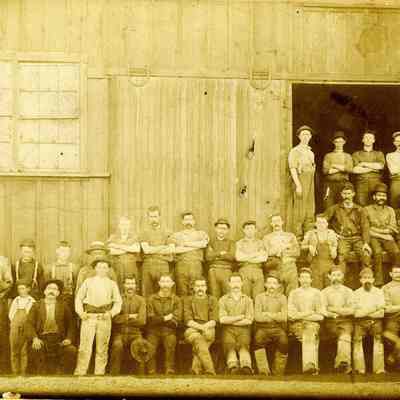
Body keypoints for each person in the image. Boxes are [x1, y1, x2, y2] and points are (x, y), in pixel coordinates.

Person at [74, 258, 122, 376]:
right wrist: (81, 313)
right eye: (99, 267)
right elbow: (78, 299)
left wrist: (110, 313)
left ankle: (99, 372)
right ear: (95, 268)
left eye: (105, 267)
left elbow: (118, 302)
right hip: (89, 317)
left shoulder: (112, 284)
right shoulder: (88, 282)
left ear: (108, 269)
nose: (102, 269)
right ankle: (81, 371)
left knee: (102, 347)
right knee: (85, 347)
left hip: (104, 317)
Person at [25, 280, 77, 375]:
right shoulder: (36, 305)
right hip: (42, 339)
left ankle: (63, 378)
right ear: (45, 291)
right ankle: (41, 378)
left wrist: (69, 339)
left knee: (71, 350)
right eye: (49, 288)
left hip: (59, 340)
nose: (51, 291)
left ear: (58, 293)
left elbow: (71, 325)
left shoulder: (63, 306)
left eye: (54, 289)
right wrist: (34, 338)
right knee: (35, 349)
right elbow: (29, 324)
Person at [324, 182, 372, 278]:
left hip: (357, 238)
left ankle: (366, 280)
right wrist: (331, 233)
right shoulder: (335, 208)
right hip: (342, 238)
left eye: (349, 193)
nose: (347, 196)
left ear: (353, 194)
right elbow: (322, 221)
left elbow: (365, 227)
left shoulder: (360, 209)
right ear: (341, 194)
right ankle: (339, 281)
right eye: (344, 194)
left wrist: (366, 243)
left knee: (366, 254)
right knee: (341, 256)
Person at [109, 276, 151, 375]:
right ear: (123, 285)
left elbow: (142, 321)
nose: (130, 286)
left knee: (140, 345)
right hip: (120, 333)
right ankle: (114, 375)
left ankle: (141, 377)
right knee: (117, 345)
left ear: (136, 286)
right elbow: (114, 319)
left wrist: (122, 318)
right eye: (128, 284)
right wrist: (130, 316)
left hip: (135, 333)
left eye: (132, 284)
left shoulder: (141, 300)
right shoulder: (117, 299)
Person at [288, 268, 324, 374]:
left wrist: (301, 316)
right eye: (302, 277)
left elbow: (320, 316)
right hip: (297, 324)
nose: (304, 280)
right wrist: (309, 313)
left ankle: (309, 366)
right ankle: (311, 366)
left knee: (309, 333)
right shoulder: (293, 293)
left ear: (311, 280)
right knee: (308, 336)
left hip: (312, 323)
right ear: (299, 279)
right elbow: (291, 315)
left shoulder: (317, 293)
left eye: (307, 277)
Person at [364, 182, 400, 286]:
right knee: (377, 252)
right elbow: (367, 229)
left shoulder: (390, 210)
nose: (381, 198)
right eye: (379, 195)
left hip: (387, 238)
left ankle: (396, 278)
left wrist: (377, 230)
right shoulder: (367, 209)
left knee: (396, 252)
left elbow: (393, 228)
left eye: (384, 195)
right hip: (374, 238)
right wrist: (383, 234)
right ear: (374, 197)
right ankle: (378, 282)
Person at [146, 274, 182, 375]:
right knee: (150, 345)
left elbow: (176, 321)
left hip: (169, 331)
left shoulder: (176, 300)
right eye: (163, 282)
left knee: (170, 343)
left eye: (167, 282)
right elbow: (150, 320)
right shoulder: (151, 298)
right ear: (159, 283)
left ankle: (169, 369)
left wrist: (158, 319)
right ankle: (151, 370)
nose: (165, 284)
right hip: (153, 331)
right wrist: (166, 318)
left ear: (172, 284)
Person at [219, 273, 254, 375]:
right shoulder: (223, 299)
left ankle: (246, 366)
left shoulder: (248, 300)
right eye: (233, 282)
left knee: (243, 345)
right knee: (230, 346)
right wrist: (240, 317)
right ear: (229, 284)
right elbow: (222, 319)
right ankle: (232, 366)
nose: (236, 284)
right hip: (228, 330)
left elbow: (249, 320)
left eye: (238, 281)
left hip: (244, 330)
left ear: (242, 283)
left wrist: (231, 320)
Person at [321, 266, 354, 373]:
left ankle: (343, 363)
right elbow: (323, 310)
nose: (336, 278)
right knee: (336, 333)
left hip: (345, 321)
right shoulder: (324, 292)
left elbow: (351, 310)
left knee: (345, 336)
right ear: (329, 277)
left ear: (343, 276)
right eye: (334, 275)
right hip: (330, 322)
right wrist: (332, 313)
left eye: (339, 275)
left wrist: (333, 309)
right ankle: (340, 363)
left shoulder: (348, 292)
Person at [254, 273, 288, 376]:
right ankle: (263, 370)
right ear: (265, 285)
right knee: (258, 339)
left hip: (278, 328)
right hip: (263, 328)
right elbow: (257, 317)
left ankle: (278, 370)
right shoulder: (259, 297)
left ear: (278, 286)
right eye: (269, 283)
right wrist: (276, 316)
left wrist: (267, 314)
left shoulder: (282, 298)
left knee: (284, 341)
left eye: (274, 283)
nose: (271, 285)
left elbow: (284, 317)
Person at [353, 267, 385, 374]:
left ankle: (379, 369)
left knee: (378, 339)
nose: (367, 280)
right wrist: (374, 308)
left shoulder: (379, 292)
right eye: (364, 278)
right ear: (360, 280)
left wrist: (365, 312)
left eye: (369, 278)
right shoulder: (356, 293)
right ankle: (359, 368)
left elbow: (381, 313)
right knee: (357, 340)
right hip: (360, 322)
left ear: (373, 279)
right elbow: (356, 314)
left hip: (375, 321)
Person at [183, 277, 218, 375]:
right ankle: (210, 369)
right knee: (198, 338)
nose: (200, 288)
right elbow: (188, 321)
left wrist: (205, 328)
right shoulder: (188, 300)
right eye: (197, 286)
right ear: (194, 288)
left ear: (206, 287)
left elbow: (214, 320)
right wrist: (202, 328)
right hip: (192, 329)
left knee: (199, 342)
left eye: (202, 286)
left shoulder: (212, 300)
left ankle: (195, 369)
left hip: (209, 328)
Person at [170, 212, 209, 296]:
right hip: (181, 265)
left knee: (195, 290)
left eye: (190, 219)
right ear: (182, 222)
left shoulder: (201, 233)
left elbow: (203, 244)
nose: (188, 222)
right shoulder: (176, 235)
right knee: (182, 290)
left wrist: (185, 244)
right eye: (186, 219)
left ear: (194, 221)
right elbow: (175, 250)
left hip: (196, 265)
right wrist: (195, 246)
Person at [140, 206, 175, 297]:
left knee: (164, 292)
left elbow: (171, 249)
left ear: (159, 217)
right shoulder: (144, 232)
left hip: (163, 265)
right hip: (148, 265)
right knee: (147, 294)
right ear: (148, 218)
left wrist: (153, 249)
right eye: (151, 217)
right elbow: (146, 250)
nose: (153, 219)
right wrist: (163, 247)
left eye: (155, 216)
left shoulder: (168, 232)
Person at [288, 125, 316, 238]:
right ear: (299, 136)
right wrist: (298, 185)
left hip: (310, 180)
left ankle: (308, 236)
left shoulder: (310, 152)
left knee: (310, 207)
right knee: (300, 209)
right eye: (303, 134)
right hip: (301, 179)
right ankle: (298, 236)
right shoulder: (295, 151)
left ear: (310, 137)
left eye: (308, 134)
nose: (306, 136)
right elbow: (293, 168)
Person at [263, 215, 300, 296]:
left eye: (278, 221)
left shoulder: (290, 236)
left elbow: (297, 252)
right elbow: (266, 252)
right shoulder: (267, 238)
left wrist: (283, 252)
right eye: (274, 221)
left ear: (282, 222)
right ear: (271, 224)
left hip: (290, 267)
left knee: (292, 293)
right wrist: (282, 248)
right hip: (275, 268)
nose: (276, 223)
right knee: (275, 295)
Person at [301, 214, 338, 290]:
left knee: (329, 289)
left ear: (327, 224)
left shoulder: (331, 233)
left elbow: (335, 246)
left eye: (323, 223)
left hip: (329, 265)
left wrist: (334, 249)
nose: (321, 225)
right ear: (316, 224)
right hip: (315, 265)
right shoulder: (310, 233)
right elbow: (302, 246)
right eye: (319, 222)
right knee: (316, 289)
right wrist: (309, 246)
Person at [8, 280, 35, 375]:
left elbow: (32, 316)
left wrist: (25, 324)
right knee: (14, 350)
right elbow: (11, 314)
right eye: (19, 289)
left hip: (26, 327)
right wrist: (15, 323)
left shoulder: (32, 301)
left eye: (23, 288)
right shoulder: (16, 300)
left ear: (28, 289)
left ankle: (23, 372)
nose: (20, 291)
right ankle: (15, 372)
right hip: (15, 327)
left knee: (23, 351)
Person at [352, 130, 385, 206]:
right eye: (366, 137)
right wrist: (373, 169)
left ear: (374, 140)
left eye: (370, 138)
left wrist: (363, 164)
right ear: (362, 140)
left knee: (375, 205)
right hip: (361, 184)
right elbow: (355, 170)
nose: (368, 139)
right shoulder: (356, 154)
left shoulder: (379, 154)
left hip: (376, 183)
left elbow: (380, 166)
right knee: (361, 206)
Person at [235, 220, 267, 299]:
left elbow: (263, 258)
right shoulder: (239, 243)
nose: (250, 231)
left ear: (255, 230)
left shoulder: (260, 243)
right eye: (247, 228)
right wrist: (256, 254)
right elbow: (238, 257)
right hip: (244, 270)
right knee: (245, 297)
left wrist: (246, 257)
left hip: (257, 270)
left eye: (252, 228)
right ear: (244, 230)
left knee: (258, 297)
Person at [322, 131, 354, 209]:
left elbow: (349, 169)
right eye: (337, 142)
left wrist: (334, 166)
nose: (339, 144)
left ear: (344, 142)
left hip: (343, 184)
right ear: (334, 142)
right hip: (330, 184)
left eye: (341, 142)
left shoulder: (347, 156)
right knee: (328, 206)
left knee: (342, 207)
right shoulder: (328, 156)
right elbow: (326, 171)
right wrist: (342, 168)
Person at [107, 216, 141, 289]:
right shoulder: (113, 237)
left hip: (131, 267)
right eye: (122, 224)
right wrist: (129, 248)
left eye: (126, 224)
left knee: (131, 288)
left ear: (129, 226)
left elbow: (136, 249)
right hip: (118, 267)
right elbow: (111, 251)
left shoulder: (134, 237)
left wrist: (117, 246)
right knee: (118, 287)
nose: (124, 227)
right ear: (119, 226)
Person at [205, 218, 236, 299]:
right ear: (215, 229)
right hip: (213, 270)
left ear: (227, 230)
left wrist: (215, 255)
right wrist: (221, 253)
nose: (221, 231)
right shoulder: (211, 242)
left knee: (228, 295)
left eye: (224, 229)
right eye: (219, 228)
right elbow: (208, 257)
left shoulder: (231, 243)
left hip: (227, 270)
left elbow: (231, 257)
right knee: (214, 295)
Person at [44, 241, 78, 311]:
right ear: (57, 251)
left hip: (69, 300)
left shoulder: (74, 268)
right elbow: (46, 287)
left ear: (70, 253)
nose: (64, 254)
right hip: (54, 299)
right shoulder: (49, 268)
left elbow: (76, 286)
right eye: (62, 251)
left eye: (67, 251)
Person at [382, 265, 400, 367]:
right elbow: (387, 309)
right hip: (392, 319)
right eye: (396, 272)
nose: (398, 274)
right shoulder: (386, 288)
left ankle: (393, 357)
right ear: (391, 274)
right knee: (388, 336)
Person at [386, 131, 400, 207]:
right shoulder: (390, 155)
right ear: (394, 143)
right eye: (397, 141)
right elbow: (394, 171)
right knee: (395, 206)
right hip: (396, 182)